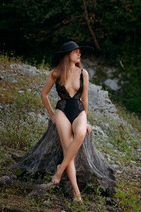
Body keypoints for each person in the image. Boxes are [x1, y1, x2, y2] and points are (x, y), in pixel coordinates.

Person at [40, 41, 92, 202]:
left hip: (79, 111)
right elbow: (44, 94)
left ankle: (59, 170)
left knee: (81, 134)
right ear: (67, 54)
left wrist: (86, 120)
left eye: (79, 52)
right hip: (61, 110)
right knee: (67, 146)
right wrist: (52, 115)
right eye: (75, 51)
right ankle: (77, 194)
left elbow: (84, 98)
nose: (79, 54)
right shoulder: (55, 73)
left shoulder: (83, 73)